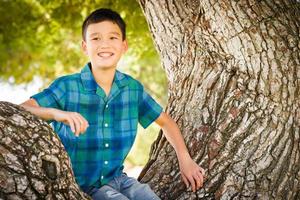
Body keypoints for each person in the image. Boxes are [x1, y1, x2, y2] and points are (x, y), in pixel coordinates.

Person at [20, 8, 205, 200]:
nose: (105, 45)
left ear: (124, 46)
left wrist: (185, 160)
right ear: (85, 47)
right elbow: (20, 111)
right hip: (79, 186)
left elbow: (166, 122)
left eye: (113, 38)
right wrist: (57, 114)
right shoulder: (67, 86)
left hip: (119, 180)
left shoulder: (132, 89)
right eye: (96, 38)